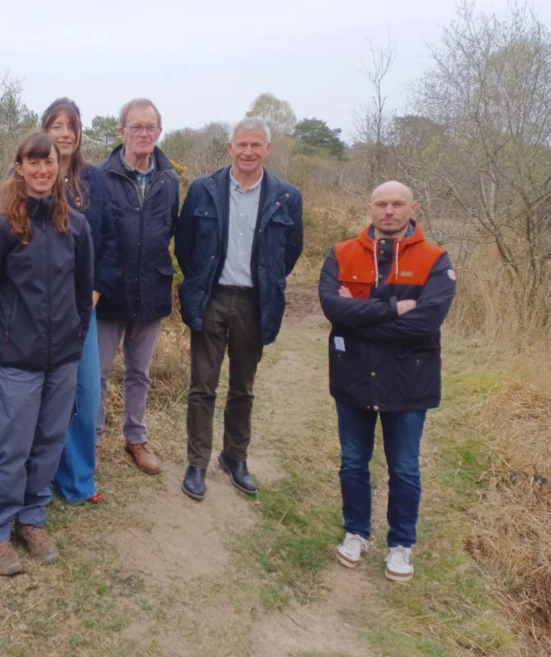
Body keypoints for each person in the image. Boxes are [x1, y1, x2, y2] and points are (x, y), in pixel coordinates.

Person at [0, 133, 94, 576]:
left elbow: (83, 295)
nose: (43, 170)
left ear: (61, 166)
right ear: (19, 167)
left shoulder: (76, 226)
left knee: (49, 442)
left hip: (62, 357)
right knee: (15, 445)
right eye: (33, 162)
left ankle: (32, 517)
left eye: (50, 162)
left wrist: (75, 342)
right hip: (15, 357)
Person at [318, 181, 455, 583]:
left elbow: (427, 320)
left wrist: (359, 316)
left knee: (405, 467)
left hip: (408, 379)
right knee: (353, 462)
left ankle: (401, 544)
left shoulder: (435, 259)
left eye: (397, 204)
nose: (389, 211)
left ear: (413, 207)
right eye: (381, 204)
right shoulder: (341, 253)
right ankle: (356, 532)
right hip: (354, 375)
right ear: (369, 208)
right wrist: (395, 307)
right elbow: (331, 306)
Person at [175, 116, 302, 501]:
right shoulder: (203, 189)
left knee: (243, 388)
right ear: (229, 148)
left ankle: (234, 457)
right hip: (211, 296)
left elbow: (290, 250)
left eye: (256, 146)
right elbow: (185, 244)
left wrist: (266, 280)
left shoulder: (286, 196)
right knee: (202, 387)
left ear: (267, 149)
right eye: (241, 145)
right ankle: (197, 462)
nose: (248, 152)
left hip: (254, 302)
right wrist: (199, 279)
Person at [96, 98, 179, 475]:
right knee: (96, 373)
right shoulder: (101, 176)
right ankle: (92, 441)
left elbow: (172, 232)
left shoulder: (170, 179)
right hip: (110, 291)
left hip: (152, 289)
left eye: (150, 127)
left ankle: (136, 438)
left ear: (159, 132)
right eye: (136, 127)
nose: (144, 133)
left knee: (139, 372)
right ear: (122, 132)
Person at [41, 97, 116, 504]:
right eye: (56, 125)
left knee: (85, 395)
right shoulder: (32, 175)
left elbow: (111, 243)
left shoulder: (95, 181)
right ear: (44, 130)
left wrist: (94, 291)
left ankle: (79, 479)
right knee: (47, 396)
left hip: (83, 309)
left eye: (71, 126)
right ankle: (44, 476)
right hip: (38, 312)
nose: (65, 133)